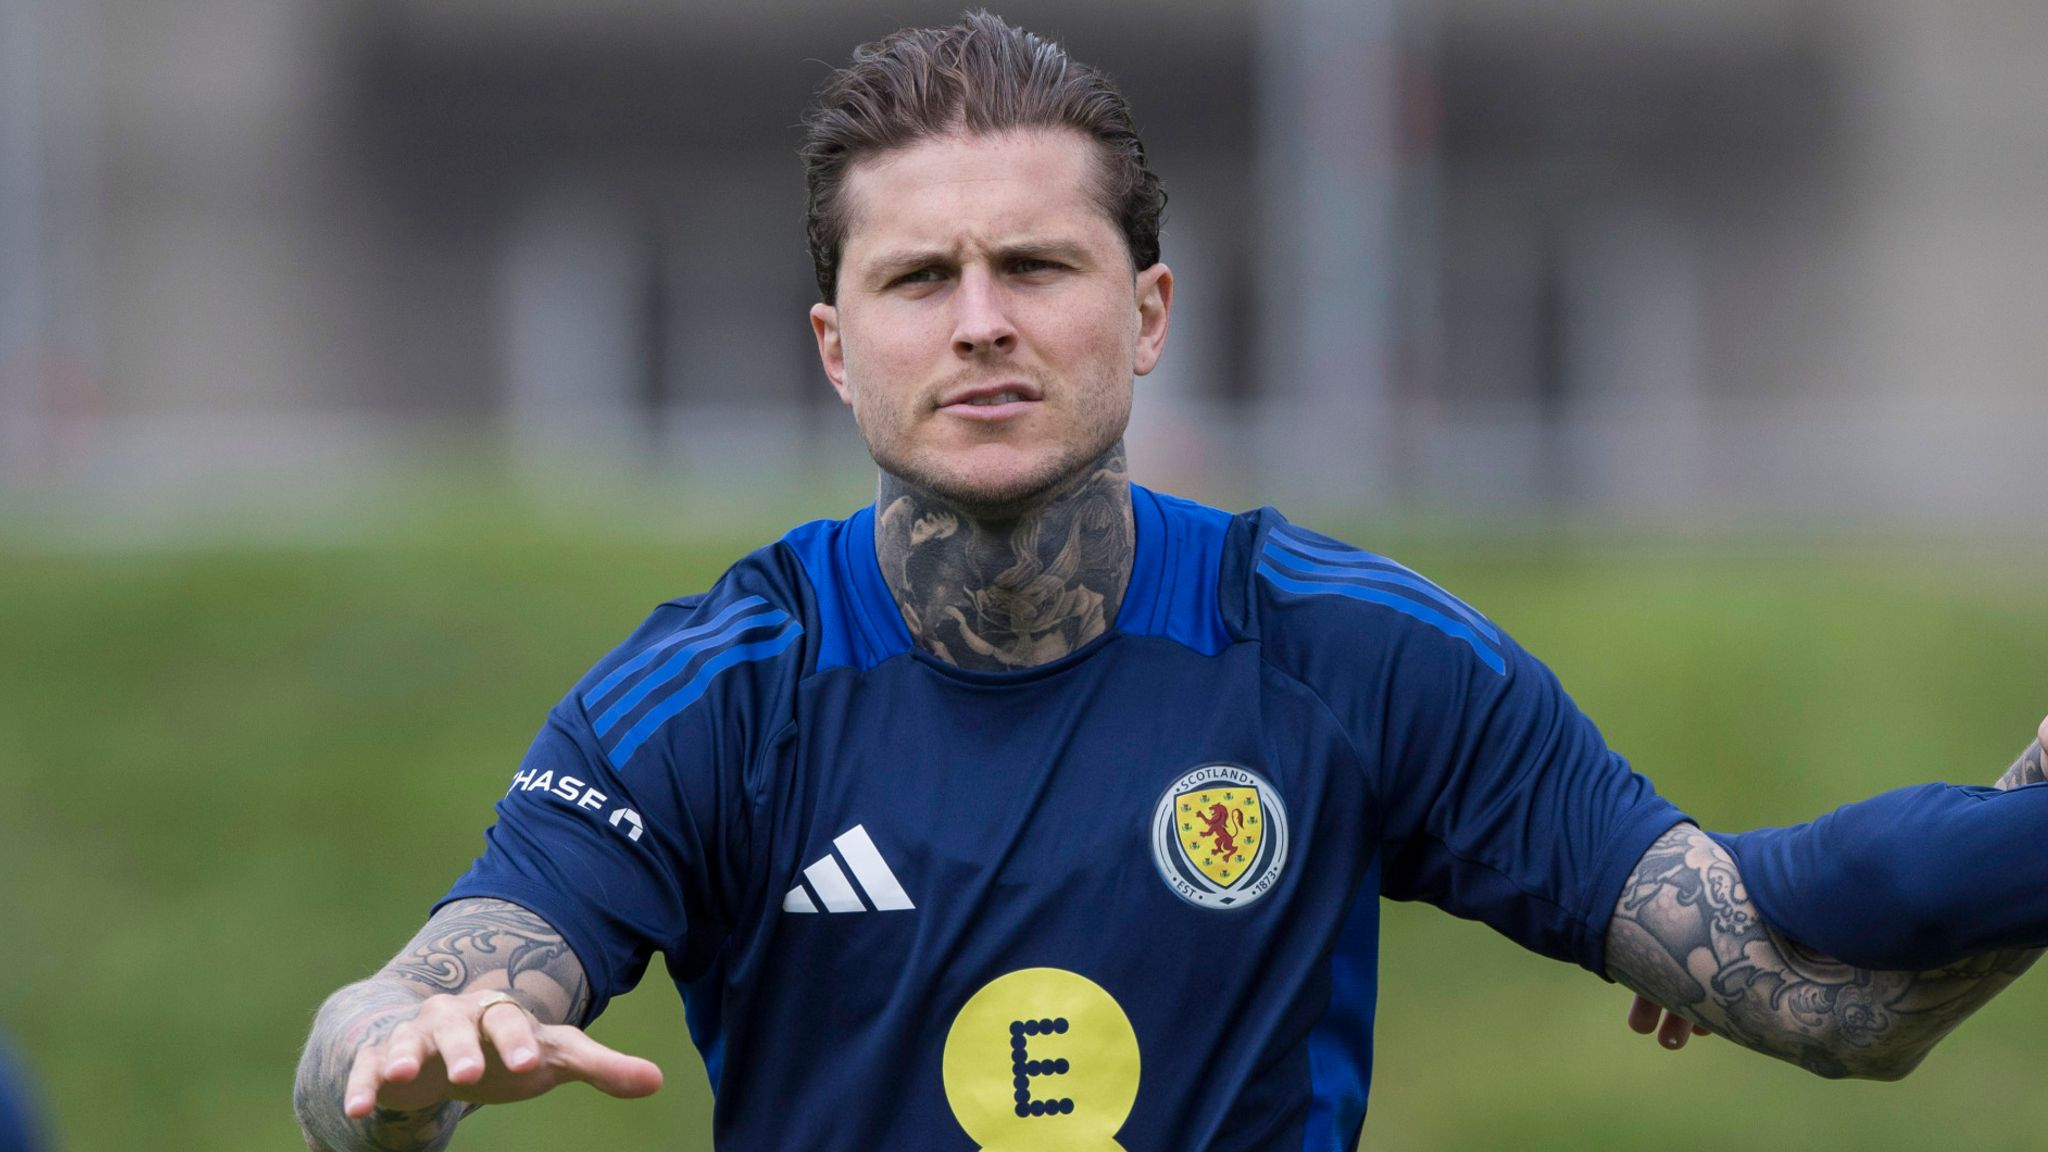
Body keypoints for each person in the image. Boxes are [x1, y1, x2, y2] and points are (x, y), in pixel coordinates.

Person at [294, 13, 2048, 1151]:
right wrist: (402, 1065)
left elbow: (1814, 988)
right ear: (838, 348)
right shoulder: (712, 697)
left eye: (1037, 263)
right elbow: (388, 1023)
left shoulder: (1353, 654)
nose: (980, 319)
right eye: (920, 280)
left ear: (1145, 311)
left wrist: (2024, 830)